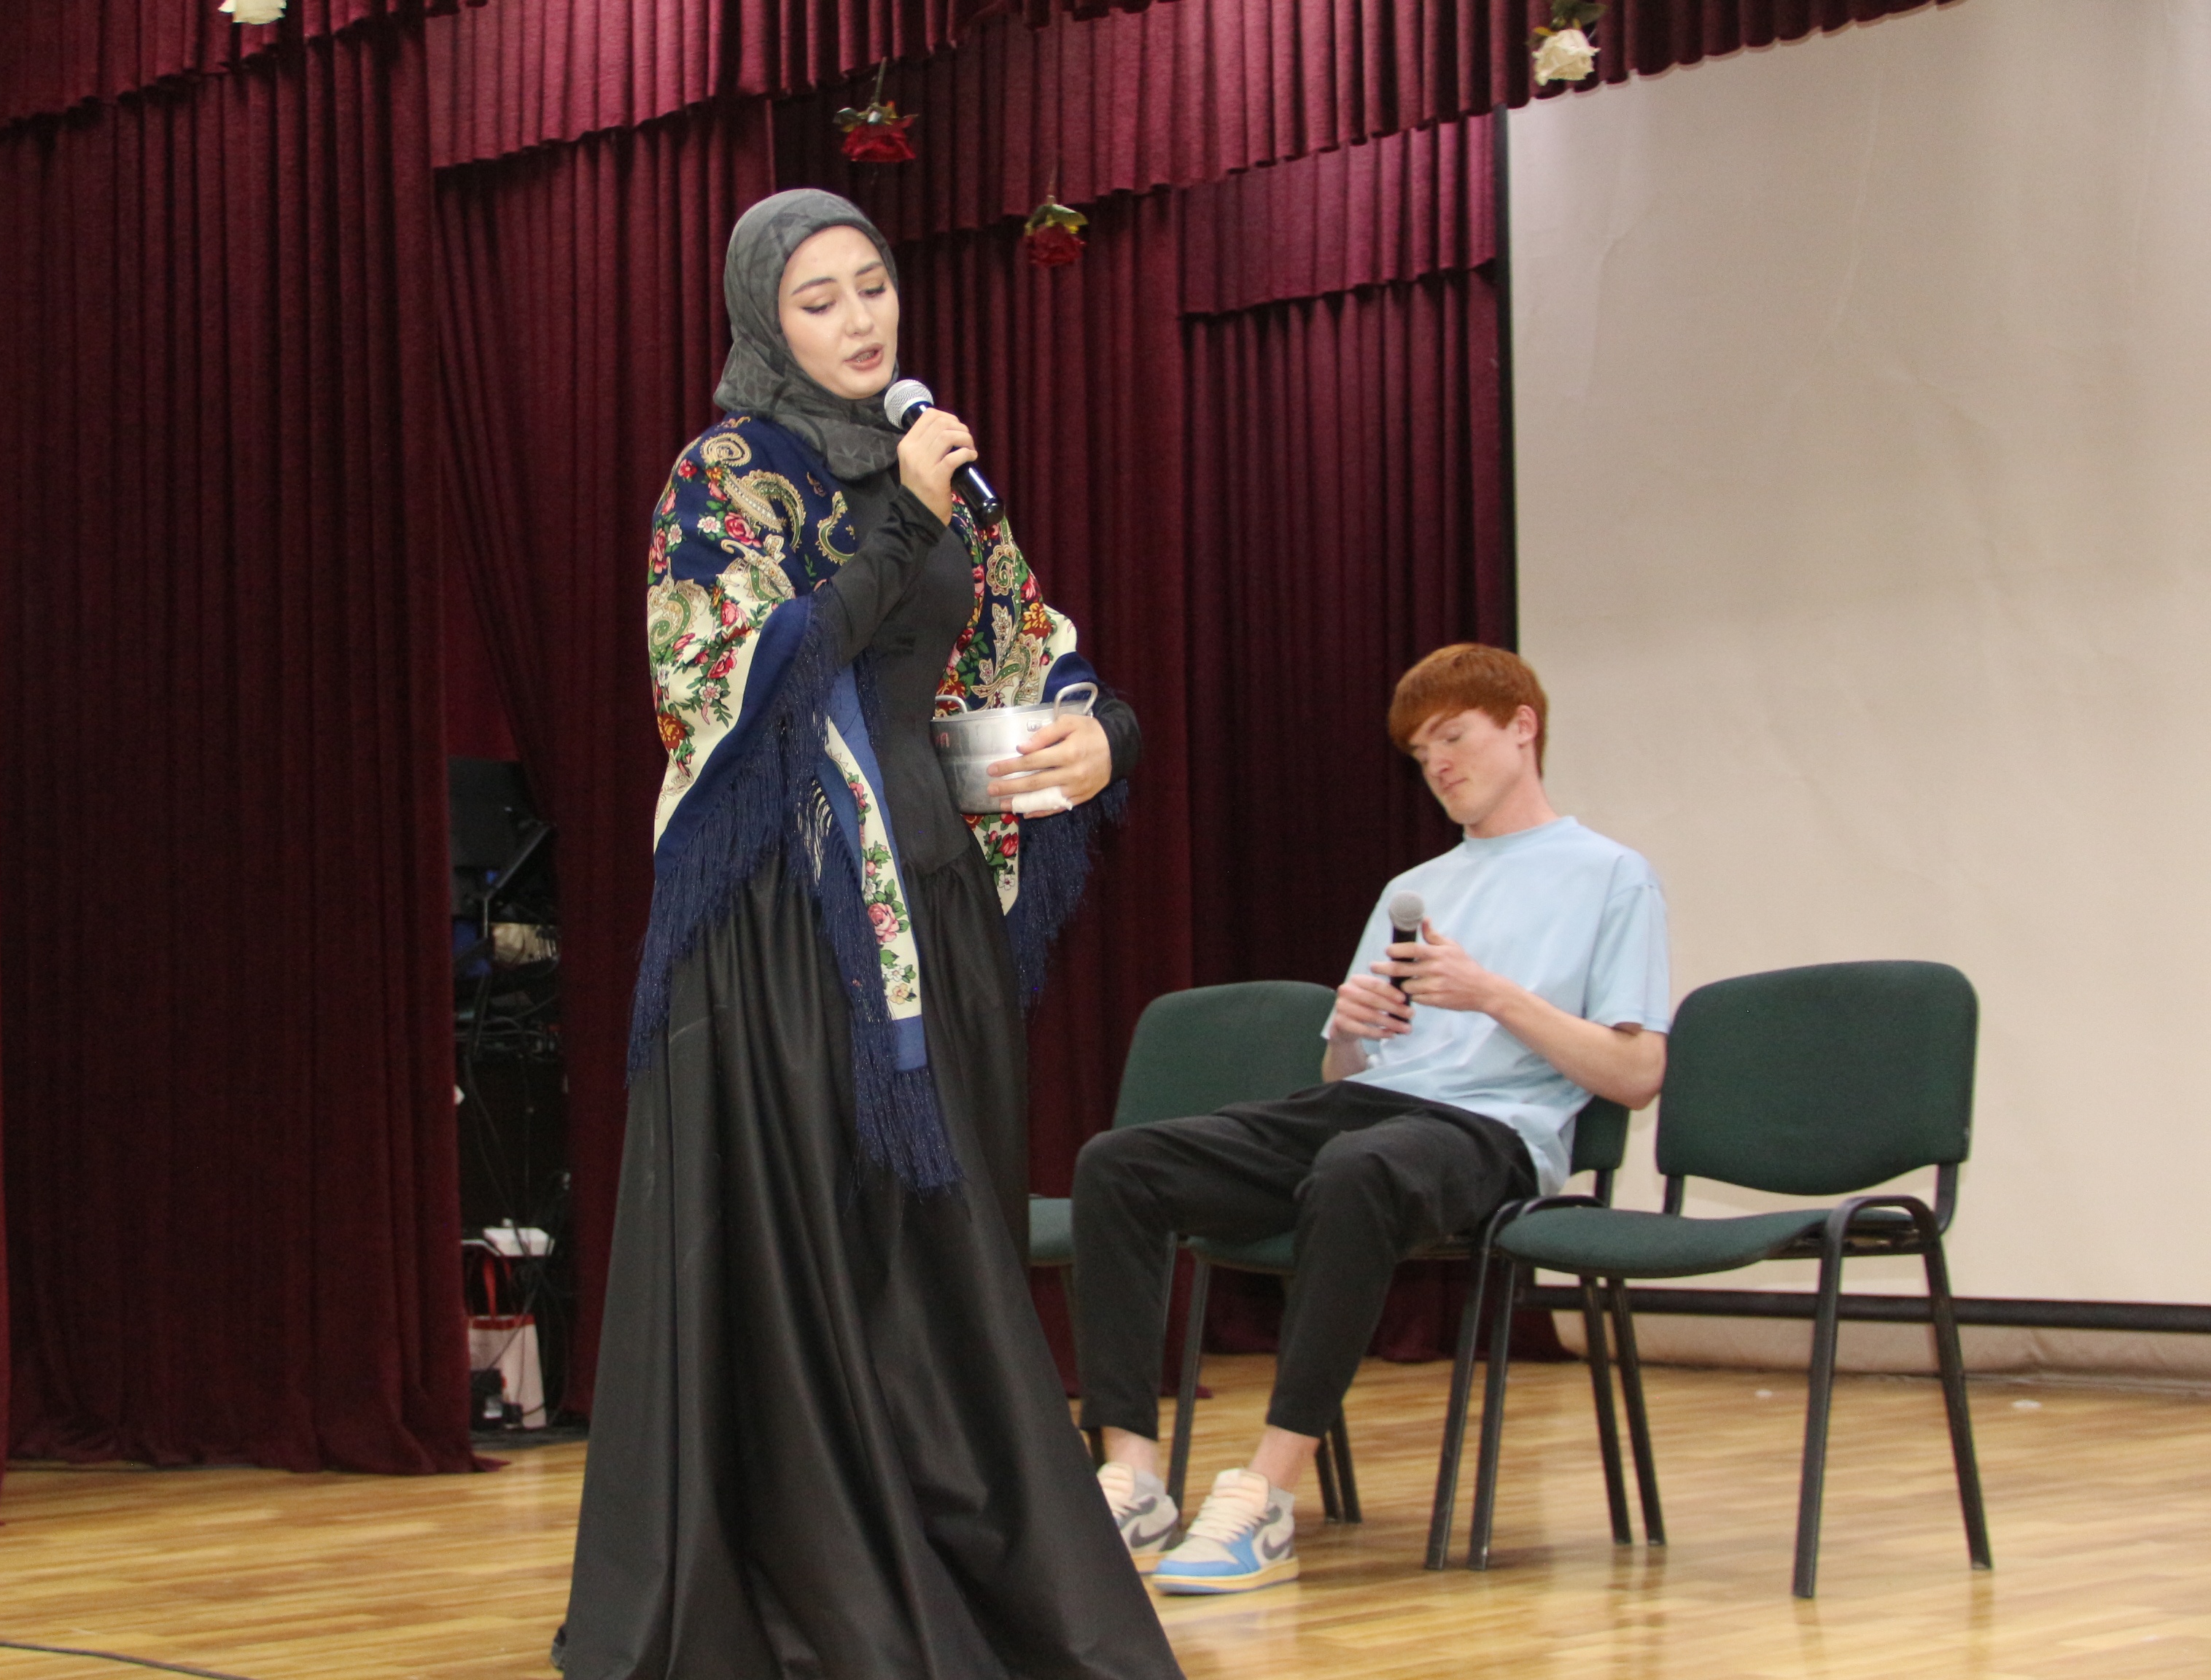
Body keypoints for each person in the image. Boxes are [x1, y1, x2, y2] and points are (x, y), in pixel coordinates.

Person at [558, 190, 1183, 1679]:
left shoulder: (950, 477)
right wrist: (899, 512)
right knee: (829, 1265)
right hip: (791, 933)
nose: (859, 319)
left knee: (943, 1268)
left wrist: (1103, 735)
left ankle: (975, 1587)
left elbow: (1022, 653)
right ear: (766, 323)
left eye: (873, 285)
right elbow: (737, 685)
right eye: (819, 298)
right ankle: (824, 1597)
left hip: (939, 909)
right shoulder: (724, 476)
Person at [1068, 643, 1671, 1595]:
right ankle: (1132, 1477)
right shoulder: (1414, 889)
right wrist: (1349, 1031)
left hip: (1495, 1132)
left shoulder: (1611, 875)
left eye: (1454, 738)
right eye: (1422, 752)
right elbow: (1343, 1072)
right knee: (1120, 1164)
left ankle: (1268, 1493)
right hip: (1370, 1104)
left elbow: (1637, 1075)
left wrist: (1494, 995)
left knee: (1359, 1169)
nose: (1438, 765)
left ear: (1523, 727)